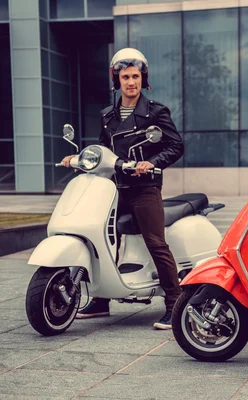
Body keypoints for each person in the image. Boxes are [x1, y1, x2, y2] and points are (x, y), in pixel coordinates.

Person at [61, 48, 184, 330]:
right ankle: (102, 298)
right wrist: (79, 159)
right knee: (99, 237)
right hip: (114, 189)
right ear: (117, 80)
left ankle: (174, 302)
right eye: (126, 76)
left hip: (144, 188)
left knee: (156, 242)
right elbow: (102, 150)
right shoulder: (107, 115)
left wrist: (151, 163)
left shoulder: (156, 112)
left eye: (136, 76)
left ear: (143, 79)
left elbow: (175, 146)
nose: (131, 82)